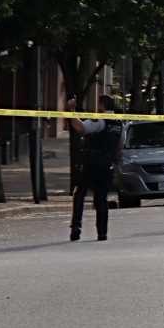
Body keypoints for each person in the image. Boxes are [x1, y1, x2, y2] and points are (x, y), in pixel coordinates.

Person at [67, 95, 123, 242]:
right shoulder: (120, 123)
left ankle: (76, 227)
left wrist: (71, 111)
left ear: (102, 106)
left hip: (91, 161)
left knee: (80, 193)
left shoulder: (100, 120)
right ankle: (102, 233)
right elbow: (120, 146)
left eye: (98, 104)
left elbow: (80, 127)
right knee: (101, 199)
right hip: (107, 163)